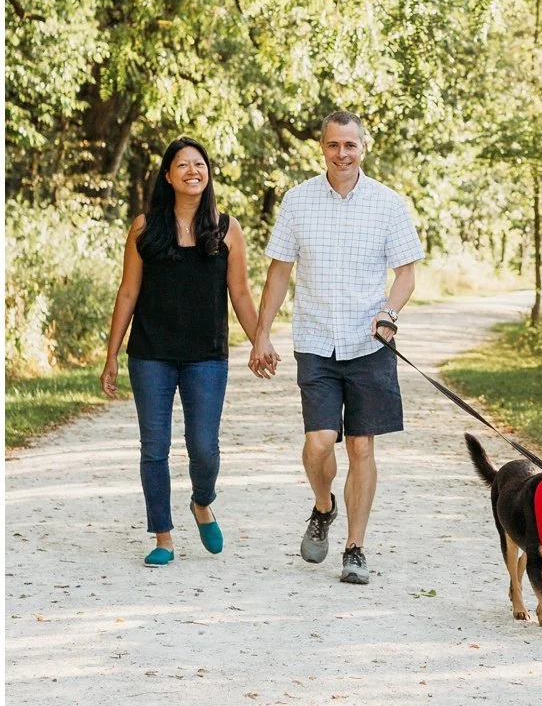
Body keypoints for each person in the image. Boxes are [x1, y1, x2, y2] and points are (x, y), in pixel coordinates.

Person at [250, 110, 425, 586]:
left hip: (369, 344)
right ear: (322, 148)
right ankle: (323, 506)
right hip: (316, 341)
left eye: (350, 145)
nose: (342, 153)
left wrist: (390, 311)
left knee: (363, 447)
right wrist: (262, 333)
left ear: (362, 148)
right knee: (319, 443)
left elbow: (406, 272)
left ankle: (355, 547)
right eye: (333, 145)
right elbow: (279, 270)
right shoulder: (298, 201)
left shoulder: (388, 204)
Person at [101, 138, 262, 565]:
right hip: (151, 353)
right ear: (168, 176)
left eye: (199, 163)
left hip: (206, 356)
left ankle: (202, 502)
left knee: (204, 446)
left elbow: (242, 294)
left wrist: (260, 339)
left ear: (207, 173)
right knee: (154, 447)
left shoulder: (227, 229)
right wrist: (112, 355)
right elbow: (128, 292)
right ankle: (162, 536)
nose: (193, 170)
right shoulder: (144, 227)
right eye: (182, 164)